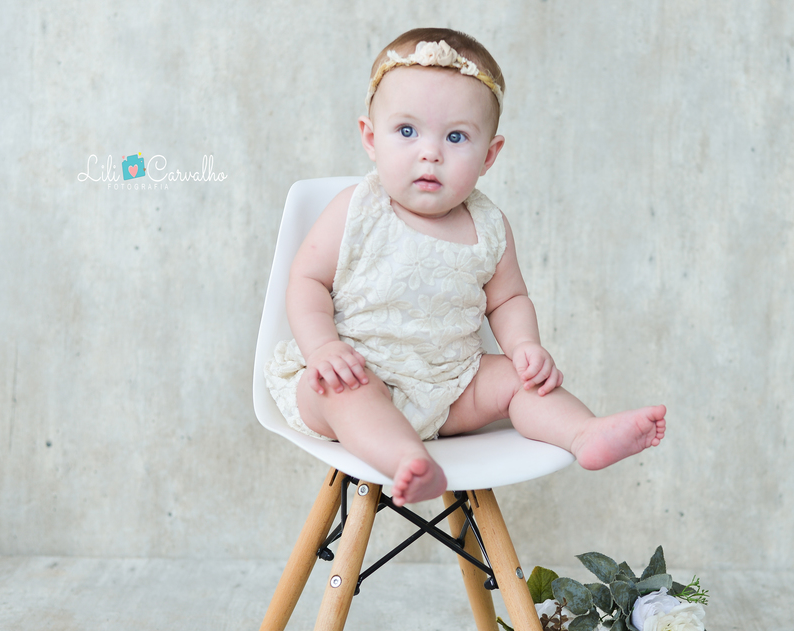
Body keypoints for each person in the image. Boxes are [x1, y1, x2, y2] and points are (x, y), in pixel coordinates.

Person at [267, 27, 665, 507]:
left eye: (456, 137)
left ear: (489, 156)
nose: (430, 152)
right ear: (371, 138)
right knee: (344, 393)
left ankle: (584, 433)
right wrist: (324, 347)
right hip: (356, 371)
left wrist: (524, 347)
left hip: (452, 386)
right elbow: (306, 282)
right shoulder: (356, 208)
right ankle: (407, 461)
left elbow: (510, 299)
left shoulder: (489, 226)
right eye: (407, 131)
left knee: (519, 383)